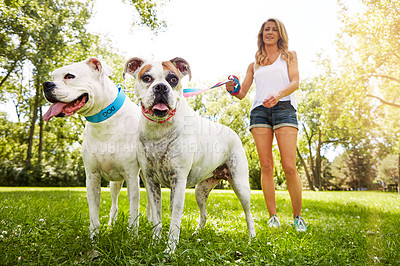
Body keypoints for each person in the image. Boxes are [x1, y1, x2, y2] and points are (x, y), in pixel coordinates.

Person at [226, 18, 306, 231]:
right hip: (259, 113)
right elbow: (242, 93)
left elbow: (295, 82)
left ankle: (298, 217)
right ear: (261, 35)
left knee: (289, 165)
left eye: (274, 29)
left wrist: (279, 94)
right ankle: (273, 217)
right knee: (266, 166)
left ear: (280, 34)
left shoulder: (289, 56)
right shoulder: (255, 64)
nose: (269, 32)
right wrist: (232, 88)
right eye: (266, 30)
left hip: (284, 109)